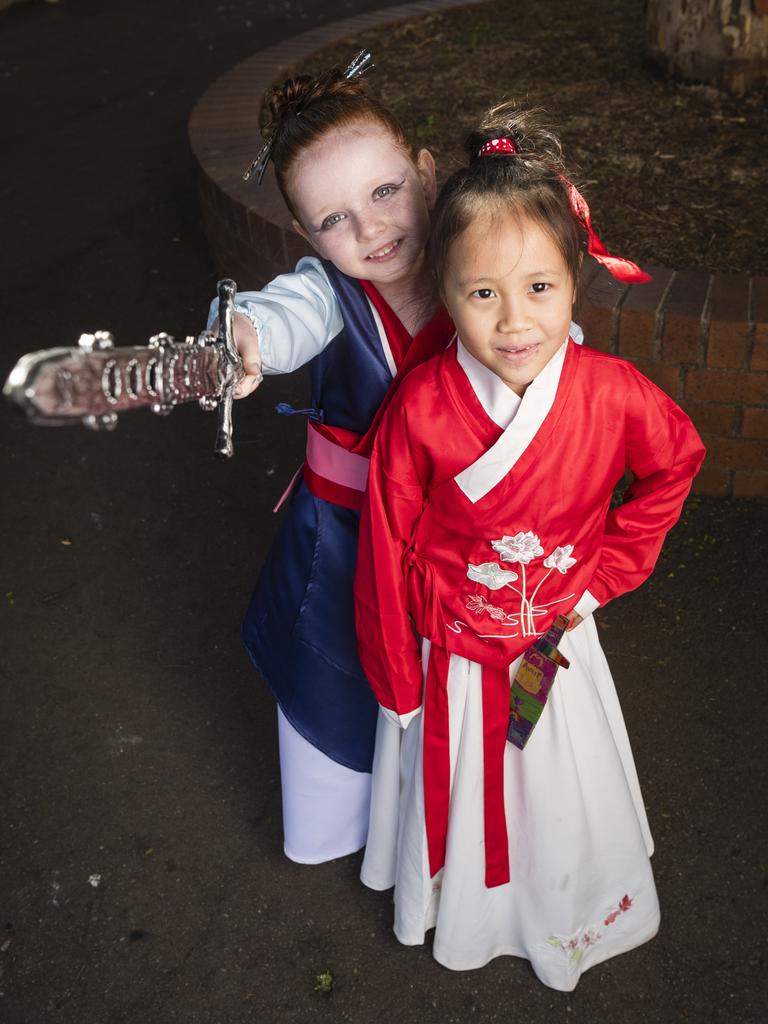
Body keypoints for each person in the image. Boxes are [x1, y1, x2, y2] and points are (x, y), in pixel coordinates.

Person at [354, 103, 705, 990]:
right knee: (474, 788)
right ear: (446, 291)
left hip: (548, 640)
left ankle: (560, 909)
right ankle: (471, 910)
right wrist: (398, 678)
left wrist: (604, 575)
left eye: (540, 288)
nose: (515, 321)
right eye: (483, 293)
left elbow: (674, 466)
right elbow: (387, 545)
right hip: (453, 660)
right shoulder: (423, 406)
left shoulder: (614, 393)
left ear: (573, 282)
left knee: (549, 788)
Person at [209, 53, 453, 865]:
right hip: (349, 539)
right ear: (306, 235)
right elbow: (279, 318)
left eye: (384, 193)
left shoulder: (476, 267)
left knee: (454, 688)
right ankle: (335, 829)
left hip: (455, 540)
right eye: (333, 219)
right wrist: (244, 336)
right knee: (334, 676)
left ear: (425, 171)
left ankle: (440, 828)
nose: (371, 230)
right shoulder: (327, 291)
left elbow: (543, 325)